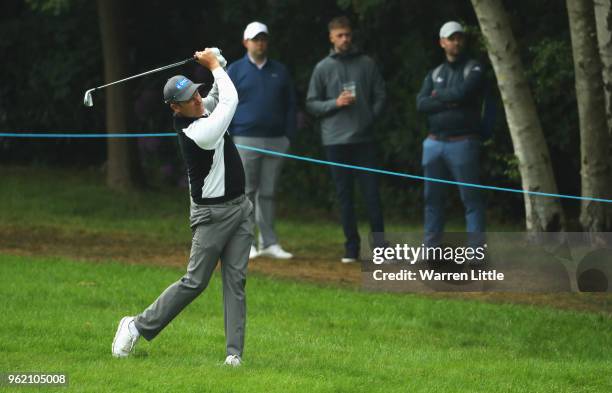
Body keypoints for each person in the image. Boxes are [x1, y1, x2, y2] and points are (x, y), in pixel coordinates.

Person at [112, 48, 252, 367]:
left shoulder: (202, 111)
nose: (198, 99)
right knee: (195, 282)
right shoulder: (196, 132)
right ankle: (136, 325)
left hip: (241, 208)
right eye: (190, 99)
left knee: (236, 281)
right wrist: (215, 65)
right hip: (212, 216)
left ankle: (234, 354)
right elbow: (230, 102)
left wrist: (220, 63)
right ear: (176, 107)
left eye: (196, 92)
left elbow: (217, 93)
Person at [306, 16, 386, 263]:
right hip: (335, 142)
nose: (344, 39)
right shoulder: (323, 67)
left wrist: (369, 118)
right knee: (345, 198)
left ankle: (381, 249)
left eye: (347, 34)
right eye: (339, 35)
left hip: (364, 139)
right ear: (331, 38)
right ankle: (351, 248)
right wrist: (335, 103)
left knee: (372, 195)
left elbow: (381, 95)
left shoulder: (366, 63)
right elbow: (311, 104)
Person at [227, 21, 297, 260]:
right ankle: (246, 243)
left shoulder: (280, 70)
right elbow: (225, 104)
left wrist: (288, 136)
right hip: (245, 137)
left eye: (263, 39)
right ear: (246, 42)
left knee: (268, 191)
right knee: (246, 193)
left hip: (277, 140)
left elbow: (290, 105)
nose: (260, 43)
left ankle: (268, 242)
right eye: (256, 39)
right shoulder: (235, 70)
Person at [416, 21, 486, 248]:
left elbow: (464, 93)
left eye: (459, 38)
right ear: (442, 42)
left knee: (471, 200)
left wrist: (438, 96)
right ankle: (431, 251)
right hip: (434, 143)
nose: (456, 42)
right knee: (432, 200)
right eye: (451, 38)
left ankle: (475, 254)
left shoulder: (473, 68)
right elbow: (421, 104)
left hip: (463, 142)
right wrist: (449, 100)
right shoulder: (435, 72)